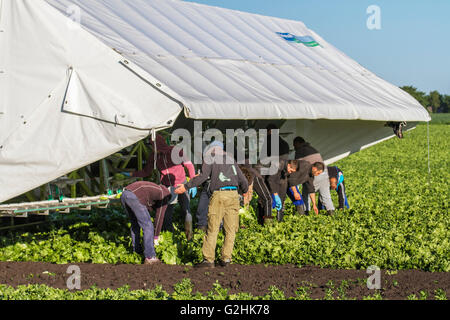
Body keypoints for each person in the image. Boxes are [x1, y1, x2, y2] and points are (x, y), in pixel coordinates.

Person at [175, 141, 249, 268]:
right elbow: (243, 180)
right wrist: (243, 192)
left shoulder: (210, 158)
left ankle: (208, 260)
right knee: (231, 229)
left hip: (219, 195)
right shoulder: (231, 159)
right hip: (233, 195)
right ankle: (226, 259)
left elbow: (203, 176)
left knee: (213, 227)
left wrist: (186, 186)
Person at [123, 134, 197, 241]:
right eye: (152, 146)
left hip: (182, 184)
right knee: (166, 213)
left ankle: (189, 237)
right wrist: (130, 174)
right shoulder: (154, 156)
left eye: (154, 146)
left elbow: (189, 165)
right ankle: (169, 237)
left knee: (186, 210)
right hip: (167, 187)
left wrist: (192, 182)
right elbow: (146, 172)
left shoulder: (175, 151)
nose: (154, 149)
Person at [120, 181, 173, 265]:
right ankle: (150, 256)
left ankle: (137, 252)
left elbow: (148, 204)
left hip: (124, 194)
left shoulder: (155, 189)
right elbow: (159, 217)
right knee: (148, 226)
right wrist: (156, 236)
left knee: (135, 224)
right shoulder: (164, 196)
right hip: (134, 196)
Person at [293, 137, 335, 215]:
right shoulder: (311, 148)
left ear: (298, 143)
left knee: (306, 193)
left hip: (314, 172)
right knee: (326, 195)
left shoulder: (300, 151)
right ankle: (331, 212)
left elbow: (297, 165)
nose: (294, 147)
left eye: (295, 145)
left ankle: (305, 212)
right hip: (324, 172)